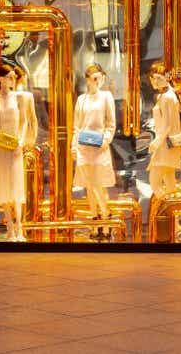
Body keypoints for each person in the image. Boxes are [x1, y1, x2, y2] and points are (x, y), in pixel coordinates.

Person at [0, 64, 28, 242]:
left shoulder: (19, 98)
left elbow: (25, 122)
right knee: (2, 186)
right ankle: (9, 228)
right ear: (0, 78)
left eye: (13, 77)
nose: (12, 80)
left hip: (14, 145)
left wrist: (21, 141)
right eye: (9, 77)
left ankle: (20, 229)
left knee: (16, 186)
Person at [71, 63, 116, 234]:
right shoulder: (82, 99)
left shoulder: (106, 96)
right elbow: (77, 125)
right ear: (88, 80)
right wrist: (73, 146)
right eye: (95, 78)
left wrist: (105, 140)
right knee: (89, 186)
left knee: (97, 184)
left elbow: (111, 123)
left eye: (100, 77)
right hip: (83, 146)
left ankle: (105, 216)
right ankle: (96, 220)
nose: (98, 81)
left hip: (99, 146)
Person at [147, 62, 181, 198]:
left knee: (155, 183)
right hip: (169, 145)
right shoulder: (166, 95)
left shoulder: (168, 97)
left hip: (165, 145)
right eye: (153, 78)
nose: (155, 81)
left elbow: (168, 124)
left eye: (158, 78)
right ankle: (173, 218)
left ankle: (167, 211)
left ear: (167, 78)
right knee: (170, 185)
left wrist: (156, 142)